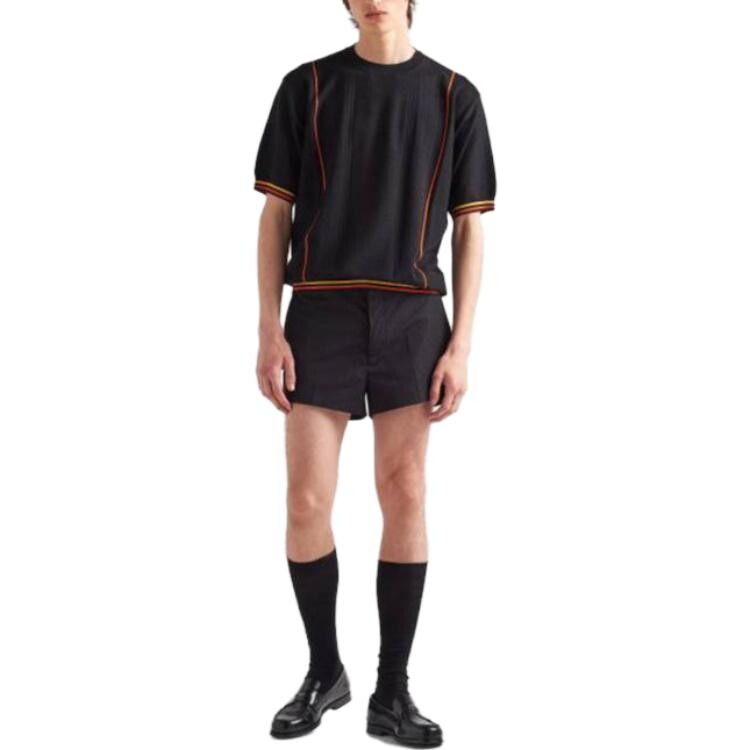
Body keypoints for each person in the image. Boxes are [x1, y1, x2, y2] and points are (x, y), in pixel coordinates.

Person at [253, 0, 496, 745]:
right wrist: (268, 325)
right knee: (305, 499)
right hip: (320, 307)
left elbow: (470, 226)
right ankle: (325, 671)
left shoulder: (454, 95)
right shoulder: (306, 86)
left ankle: (392, 691)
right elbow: (275, 216)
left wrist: (461, 345)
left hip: (413, 313)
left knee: (406, 490)